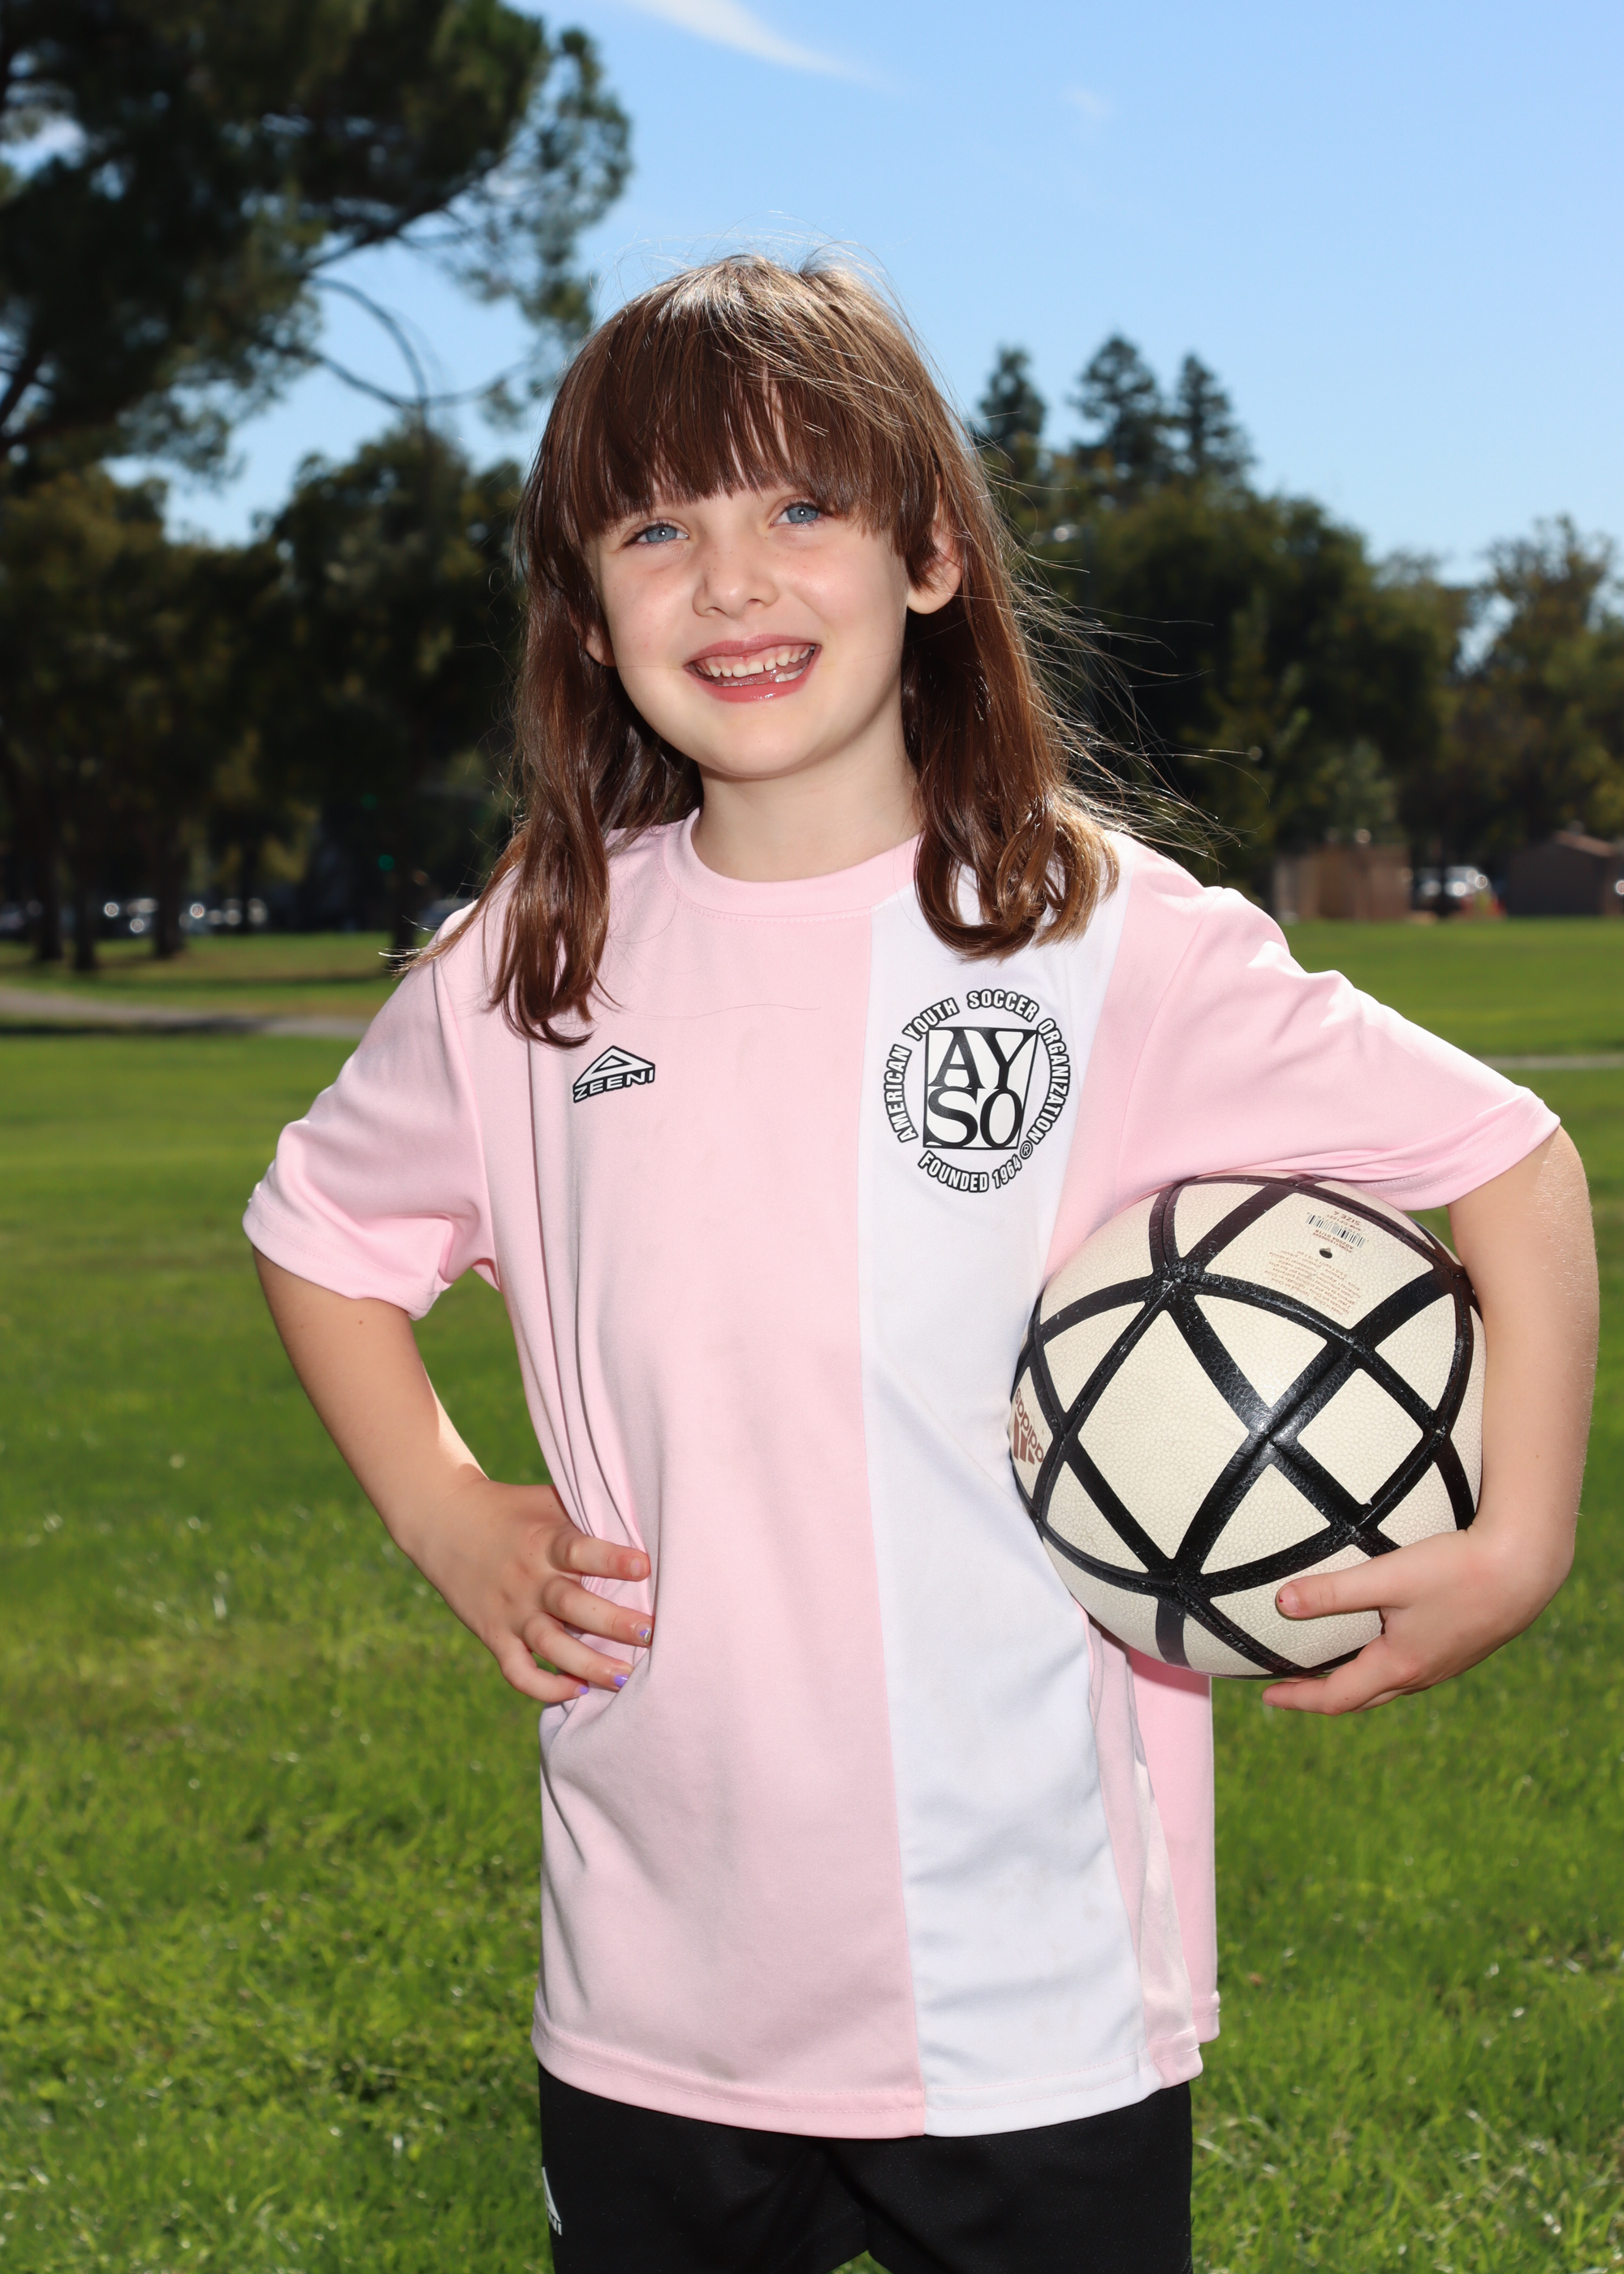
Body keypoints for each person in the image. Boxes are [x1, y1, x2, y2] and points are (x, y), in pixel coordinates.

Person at [245, 256, 1598, 2274]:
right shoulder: (532, 960)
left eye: (801, 505)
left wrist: (1522, 1534)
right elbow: (320, 1231)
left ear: (934, 554)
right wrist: (446, 1510)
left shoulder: (1101, 935)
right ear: (585, 612)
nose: (731, 579)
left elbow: (1511, 1159)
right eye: (655, 529)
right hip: (656, 1983)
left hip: (1032, 1985)